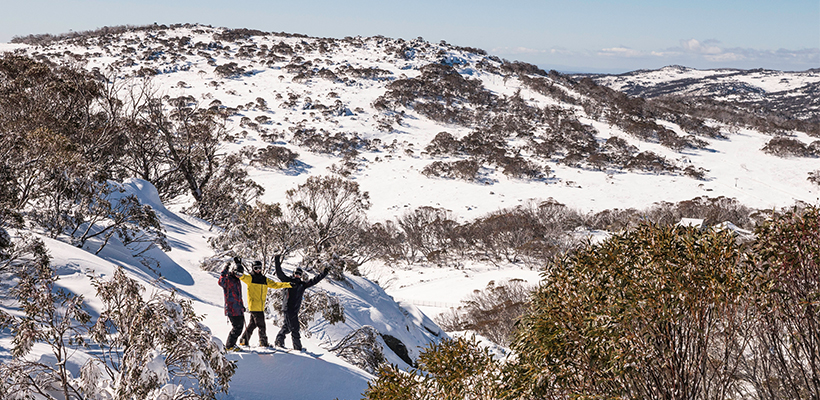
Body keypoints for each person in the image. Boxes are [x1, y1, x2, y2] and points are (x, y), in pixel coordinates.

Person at [274, 254, 329, 351]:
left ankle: (279, 341)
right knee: (295, 328)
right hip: (288, 308)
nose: (297, 276)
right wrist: (277, 259)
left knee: (287, 327)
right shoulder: (288, 281)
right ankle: (297, 348)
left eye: (299, 274)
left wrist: (323, 274)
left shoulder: (302, 285)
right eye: (296, 274)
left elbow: (313, 281)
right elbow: (279, 273)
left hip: (295, 310)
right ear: (293, 273)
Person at [238, 260, 291, 347]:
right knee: (261, 325)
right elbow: (241, 276)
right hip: (254, 306)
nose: (258, 270)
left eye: (259, 268)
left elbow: (275, 285)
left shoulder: (264, 279)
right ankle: (263, 343)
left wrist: (288, 284)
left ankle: (243, 341)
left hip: (260, 306)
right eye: (256, 268)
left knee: (252, 325)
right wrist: (238, 265)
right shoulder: (250, 278)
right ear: (252, 268)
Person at [218, 256, 246, 351]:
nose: (239, 275)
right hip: (231, 308)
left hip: (238, 308)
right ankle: (229, 346)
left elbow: (238, 295)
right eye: (237, 273)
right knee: (237, 327)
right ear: (233, 271)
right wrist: (225, 269)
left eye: (241, 274)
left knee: (240, 327)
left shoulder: (237, 280)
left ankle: (232, 345)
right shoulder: (228, 279)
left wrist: (242, 306)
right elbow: (220, 281)